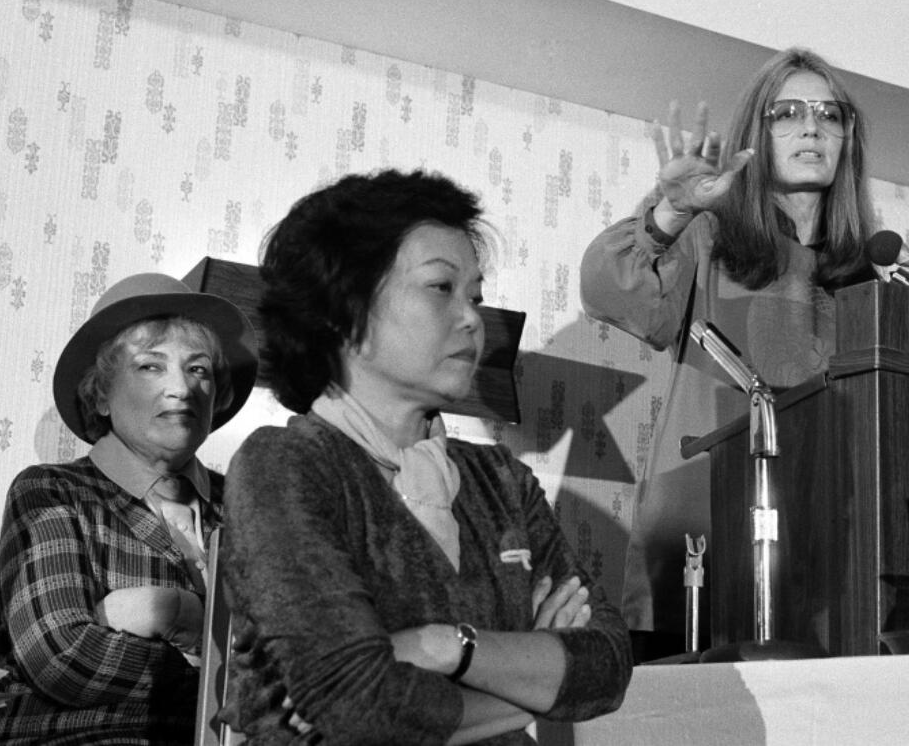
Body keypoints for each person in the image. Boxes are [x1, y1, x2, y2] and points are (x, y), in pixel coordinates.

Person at [221, 169, 633, 745]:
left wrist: (444, 646)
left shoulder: (502, 480)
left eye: (475, 297)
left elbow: (608, 666)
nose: (472, 319)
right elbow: (357, 702)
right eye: (441, 288)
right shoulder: (285, 465)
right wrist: (534, 683)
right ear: (343, 309)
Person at [580, 47, 876, 649]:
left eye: (830, 114)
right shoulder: (708, 238)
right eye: (787, 112)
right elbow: (606, 288)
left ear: (848, 138)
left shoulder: (866, 280)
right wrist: (669, 213)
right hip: (699, 535)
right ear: (756, 135)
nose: (812, 126)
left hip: (824, 544)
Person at [0, 273, 258, 745]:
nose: (182, 388)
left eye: (199, 369)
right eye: (150, 367)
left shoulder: (247, 504)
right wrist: (207, 654)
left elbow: (297, 658)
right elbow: (62, 657)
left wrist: (164, 618)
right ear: (101, 393)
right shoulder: (53, 492)